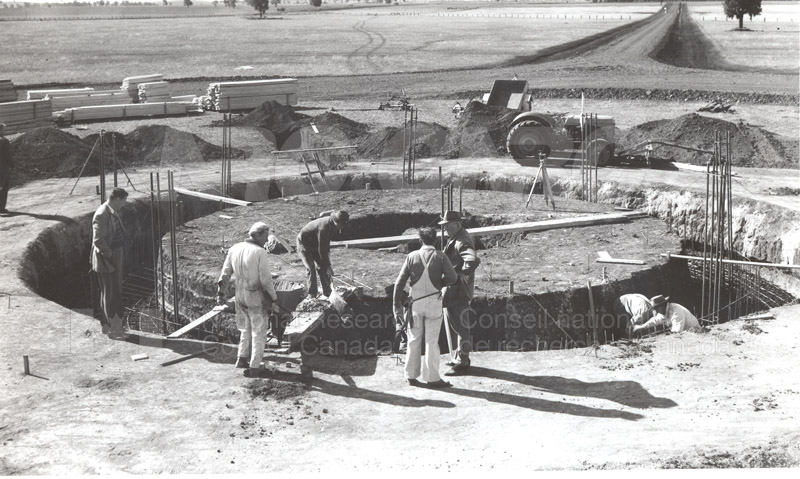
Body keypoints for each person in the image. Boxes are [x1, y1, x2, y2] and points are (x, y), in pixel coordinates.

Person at [393, 227, 458, 388]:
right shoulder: (441, 256)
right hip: (434, 303)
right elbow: (453, 277)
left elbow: (399, 282)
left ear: (420, 240)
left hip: (415, 303)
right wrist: (440, 283)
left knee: (413, 339)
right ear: (435, 240)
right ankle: (433, 378)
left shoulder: (412, 256)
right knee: (432, 342)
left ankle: (410, 375)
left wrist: (396, 304)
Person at [217, 222, 280, 376]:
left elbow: (224, 274)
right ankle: (255, 366)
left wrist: (221, 293)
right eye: (265, 236)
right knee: (259, 331)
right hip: (255, 296)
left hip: (239, 295)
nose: (266, 241)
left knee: (245, 327)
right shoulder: (259, 252)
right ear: (257, 235)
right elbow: (265, 280)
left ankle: (241, 358)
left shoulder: (234, 249)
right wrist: (273, 298)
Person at [439, 210, 480, 376]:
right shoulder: (458, 237)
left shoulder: (461, 241)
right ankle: (459, 356)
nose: (445, 229)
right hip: (456, 291)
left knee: (461, 328)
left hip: (458, 292)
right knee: (458, 326)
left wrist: (463, 274)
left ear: (456, 224)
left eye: (447, 226)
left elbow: (472, 260)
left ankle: (463, 361)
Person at [90, 187, 129, 337]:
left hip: (114, 257)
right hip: (107, 260)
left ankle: (110, 326)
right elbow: (98, 240)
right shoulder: (101, 215)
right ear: (117, 199)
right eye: (123, 202)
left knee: (113, 292)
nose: (123, 205)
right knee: (110, 293)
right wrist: (111, 256)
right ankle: (113, 329)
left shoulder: (110, 211)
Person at [296, 210, 349, 298]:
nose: (342, 227)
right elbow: (322, 250)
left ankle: (327, 292)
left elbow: (325, 245)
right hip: (304, 243)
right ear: (336, 222)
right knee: (311, 268)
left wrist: (326, 265)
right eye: (341, 225)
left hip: (315, 243)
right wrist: (328, 266)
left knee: (322, 267)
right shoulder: (323, 228)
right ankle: (312, 294)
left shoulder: (333, 223)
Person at [632, 295, 702, 335]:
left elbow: (677, 332)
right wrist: (642, 327)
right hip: (684, 334)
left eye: (656, 308)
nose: (655, 311)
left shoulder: (676, 311)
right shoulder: (663, 311)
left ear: (662, 306)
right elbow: (655, 320)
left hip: (695, 334)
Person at [0, 123, 12, 214]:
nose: (5, 131)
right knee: (4, 188)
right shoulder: (4, 141)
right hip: (3, 168)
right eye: (4, 129)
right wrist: (12, 165)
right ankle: (1, 208)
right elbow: (8, 156)